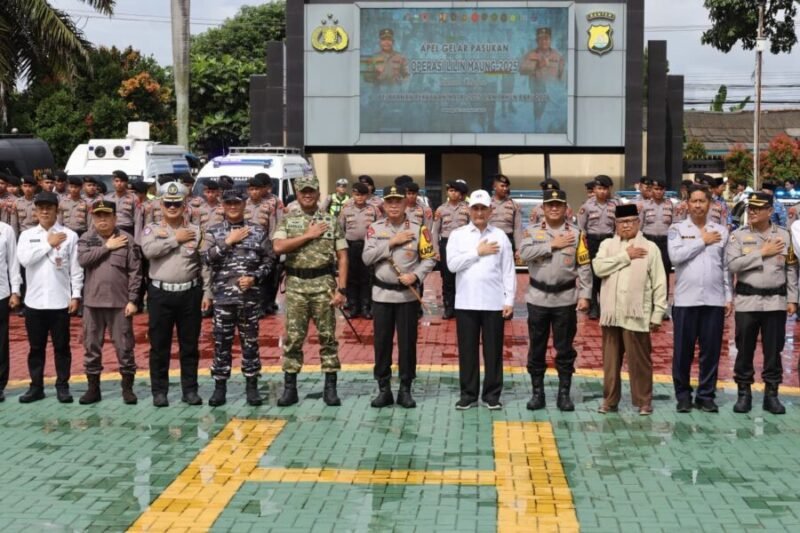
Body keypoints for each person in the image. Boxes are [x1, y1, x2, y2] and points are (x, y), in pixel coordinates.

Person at [272, 176, 348, 407]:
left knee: (327, 337)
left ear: (317, 193)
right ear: (297, 192)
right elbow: (278, 247)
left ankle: (330, 388)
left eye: (311, 191)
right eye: (303, 191)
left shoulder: (330, 220)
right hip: (296, 285)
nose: (307, 195)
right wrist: (308, 235)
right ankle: (290, 388)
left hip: (323, 284)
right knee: (294, 338)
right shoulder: (288, 220)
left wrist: (341, 289)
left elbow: (343, 256)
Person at [519, 189, 592, 412]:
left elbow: (584, 265)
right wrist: (553, 245)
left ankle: (564, 394)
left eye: (558, 204)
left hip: (565, 300)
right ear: (542, 207)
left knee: (565, 349)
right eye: (549, 204)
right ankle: (537, 393)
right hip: (538, 298)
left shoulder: (577, 233)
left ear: (565, 207)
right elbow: (523, 254)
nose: (553, 208)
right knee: (537, 348)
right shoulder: (531, 232)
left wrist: (585, 295)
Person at [363, 185, 436, 408]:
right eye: (389, 202)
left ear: (405, 203)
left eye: (397, 201)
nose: (393, 206)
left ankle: (405, 389)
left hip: (406, 297)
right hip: (382, 295)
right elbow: (367, 258)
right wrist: (391, 243)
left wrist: (416, 275)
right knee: (382, 344)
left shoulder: (419, 229)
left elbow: (430, 259)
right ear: (383, 205)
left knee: (407, 345)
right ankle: (383, 389)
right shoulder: (374, 229)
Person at [140, 182, 212, 407]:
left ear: (185, 205)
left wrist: (207, 292)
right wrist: (175, 239)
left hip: (189, 294)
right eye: (168, 203)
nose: (172, 207)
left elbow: (204, 264)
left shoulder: (197, 231)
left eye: (177, 203)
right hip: (161, 294)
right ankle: (159, 391)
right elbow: (149, 251)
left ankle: (189, 390)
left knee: (189, 346)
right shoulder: (151, 229)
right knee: (159, 346)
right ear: (161, 204)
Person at [202, 190, 275, 407]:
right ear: (222, 206)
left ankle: (252, 386)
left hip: (249, 298)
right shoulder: (214, 231)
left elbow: (270, 260)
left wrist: (254, 277)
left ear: (244, 205)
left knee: (250, 343)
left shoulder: (257, 231)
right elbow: (205, 258)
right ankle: (219, 387)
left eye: (237, 203)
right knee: (221, 343)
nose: (233, 206)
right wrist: (227, 242)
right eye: (229, 203)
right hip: (223, 298)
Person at [593, 203, 667, 415]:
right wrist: (626, 256)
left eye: (630, 222)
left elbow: (660, 282)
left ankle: (644, 401)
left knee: (640, 361)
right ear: (615, 224)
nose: (626, 226)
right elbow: (598, 268)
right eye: (621, 222)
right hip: (611, 314)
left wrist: (658, 313)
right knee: (610, 363)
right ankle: (609, 400)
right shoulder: (607, 245)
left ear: (638, 222)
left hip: (637, 313)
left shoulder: (650, 248)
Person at [446, 190, 515, 410]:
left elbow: (508, 270)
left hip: (494, 302)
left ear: (490, 210)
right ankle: (468, 394)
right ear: (468, 210)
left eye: (483, 208)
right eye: (475, 208)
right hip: (466, 302)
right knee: (468, 351)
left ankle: (492, 395)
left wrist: (509, 300)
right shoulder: (458, 235)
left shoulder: (500, 236)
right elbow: (452, 265)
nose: (478, 212)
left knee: (493, 352)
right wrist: (477, 252)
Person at [732, 192, 797, 414]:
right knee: (744, 348)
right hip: (747, 302)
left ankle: (772, 394)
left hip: (776, 302)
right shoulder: (738, 236)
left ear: (770, 211)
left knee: (773, 350)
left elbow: (791, 270)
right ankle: (744, 393)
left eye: (758, 208)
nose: (752, 212)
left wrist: (792, 299)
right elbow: (732, 265)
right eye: (751, 208)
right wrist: (762, 252)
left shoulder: (784, 236)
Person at [668, 185, 732, 413]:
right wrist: (702, 241)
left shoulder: (722, 231)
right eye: (693, 201)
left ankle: (706, 395)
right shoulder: (677, 229)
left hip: (714, 300)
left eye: (702, 201)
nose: (697, 205)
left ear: (710, 204)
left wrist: (728, 296)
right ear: (687, 203)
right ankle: (683, 395)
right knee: (683, 352)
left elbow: (725, 267)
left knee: (711, 351)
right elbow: (675, 257)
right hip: (686, 300)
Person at [17, 191, 83, 403]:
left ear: (57, 210)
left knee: (62, 348)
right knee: (36, 348)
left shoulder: (70, 235)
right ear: (35, 211)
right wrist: (49, 243)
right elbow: (25, 260)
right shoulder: (27, 235)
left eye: (49, 207)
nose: (45, 211)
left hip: (59, 301)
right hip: (34, 302)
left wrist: (76, 295)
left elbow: (76, 269)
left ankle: (62, 386)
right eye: (41, 208)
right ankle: (36, 387)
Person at [77, 199, 142, 405]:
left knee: (124, 347)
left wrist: (133, 300)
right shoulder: (87, 238)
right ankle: (93, 389)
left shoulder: (127, 239)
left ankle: (128, 390)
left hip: (119, 304)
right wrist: (107, 247)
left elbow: (135, 272)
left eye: (106, 215)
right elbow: (83, 260)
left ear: (115, 217)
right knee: (91, 347)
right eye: (98, 216)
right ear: (93, 218)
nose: (102, 220)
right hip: (92, 304)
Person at [578, 175, 621, 319]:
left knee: (607, 273)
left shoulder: (616, 204)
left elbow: (619, 224)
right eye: (599, 188)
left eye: (605, 189)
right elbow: (581, 228)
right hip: (592, 242)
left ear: (609, 189)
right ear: (594, 189)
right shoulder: (587, 206)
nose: (602, 191)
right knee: (592, 273)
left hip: (609, 241)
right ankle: (594, 306)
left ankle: (605, 305)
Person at [338, 182, 381, 319]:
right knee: (351, 278)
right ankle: (353, 307)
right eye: (357, 195)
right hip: (350, 247)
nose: (359, 198)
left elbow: (379, 228)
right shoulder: (346, 210)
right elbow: (340, 230)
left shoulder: (373, 210)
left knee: (366, 278)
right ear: (353, 195)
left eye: (362, 195)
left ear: (367, 195)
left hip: (367, 247)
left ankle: (365, 307)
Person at [432, 180, 470, 319]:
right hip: (446, 245)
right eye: (451, 191)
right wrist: (435, 250)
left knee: (464, 277)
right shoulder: (441, 209)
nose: (453, 193)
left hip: (464, 245)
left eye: (456, 191)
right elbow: (435, 231)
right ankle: (449, 307)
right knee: (447, 278)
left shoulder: (468, 208)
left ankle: (462, 307)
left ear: (461, 194)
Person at [519, 27, 565, 121]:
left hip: (553, 88)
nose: (544, 41)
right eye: (541, 39)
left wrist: (560, 84)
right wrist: (537, 66)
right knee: (539, 102)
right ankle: (537, 121)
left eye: (546, 39)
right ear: (537, 41)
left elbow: (562, 74)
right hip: (536, 85)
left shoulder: (557, 55)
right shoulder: (530, 54)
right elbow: (522, 70)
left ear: (550, 40)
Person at [0, 217, 21, 402]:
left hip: (1, 293)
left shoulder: (6, 230)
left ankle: (0, 385)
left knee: (1, 342)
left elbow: (13, 263)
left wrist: (15, 291)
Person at [639, 178, 674, 285]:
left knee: (664, 270)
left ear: (665, 190)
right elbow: (639, 226)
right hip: (648, 240)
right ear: (652, 190)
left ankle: (664, 300)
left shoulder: (671, 205)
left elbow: (675, 226)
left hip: (665, 242)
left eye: (661, 189)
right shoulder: (643, 205)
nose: (658, 192)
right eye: (656, 189)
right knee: (647, 270)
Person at [488, 174, 522, 254]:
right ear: (494, 186)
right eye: (502, 186)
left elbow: (518, 228)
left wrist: (518, 248)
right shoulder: (486, 203)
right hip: (490, 240)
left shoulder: (514, 205)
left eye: (506, 186)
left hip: (507, 240)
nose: (505, 188)